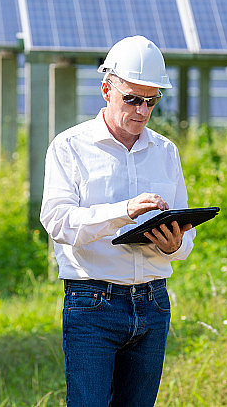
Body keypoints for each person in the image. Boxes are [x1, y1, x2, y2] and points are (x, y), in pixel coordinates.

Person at [40, 35, 194, 407]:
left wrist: (175, 245)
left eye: (151, 100)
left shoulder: (165, 151)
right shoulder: (70, 147)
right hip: (92, 301)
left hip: (154, 301)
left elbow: (184, 241)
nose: (142, 110)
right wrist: (124, 212)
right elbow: (58, 222)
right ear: (107, 90)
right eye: (133, 99)